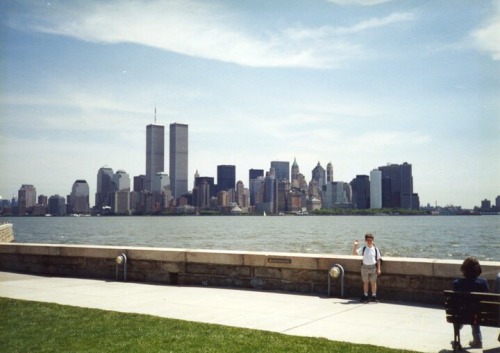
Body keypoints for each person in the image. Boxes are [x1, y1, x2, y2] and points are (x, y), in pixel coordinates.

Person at [452, 256, 489, 349]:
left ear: (463, 269)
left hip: (461, 315)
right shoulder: (483, 282)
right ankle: (477, 340)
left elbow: (454, 302)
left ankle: (457, 339)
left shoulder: (456, 283)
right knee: (475, 312)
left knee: (461, 313)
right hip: (479, 316)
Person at [352, 233, 382, 303]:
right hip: (364, 267)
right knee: (365, 282)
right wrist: (355, 245)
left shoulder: (376, 249)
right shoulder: (363, 248)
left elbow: (378, 259)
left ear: (373, 240)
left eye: (371, 240)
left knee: (373, 282)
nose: (369, 241)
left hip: (373, 267)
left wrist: (379, 269)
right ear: (366, 240)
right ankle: (365, 296)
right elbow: (354, 254)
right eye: (368, 240)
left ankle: (374, 296)